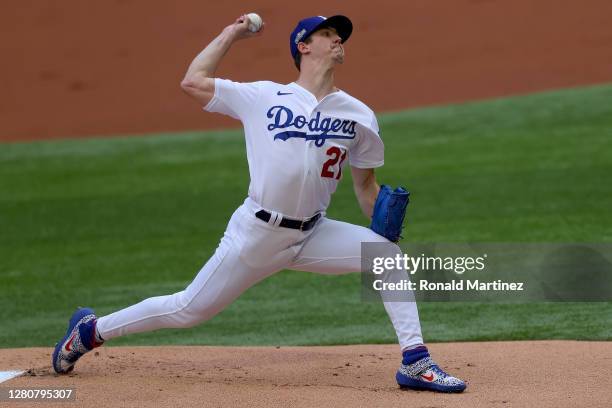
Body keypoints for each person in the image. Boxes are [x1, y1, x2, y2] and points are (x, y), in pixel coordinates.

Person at [52, 14, 466, 393]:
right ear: (303, 45)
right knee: (188, 310)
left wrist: (381, 221)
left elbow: (364, 187)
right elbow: (193, 81)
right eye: (327, 33)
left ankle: (415, 362)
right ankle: (90, 331)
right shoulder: (264, 96)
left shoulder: (358, 115)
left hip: (314, 233)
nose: (338, 38)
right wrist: (232, 33)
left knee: (386, 256)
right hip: (255, 235)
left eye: (339, 35)